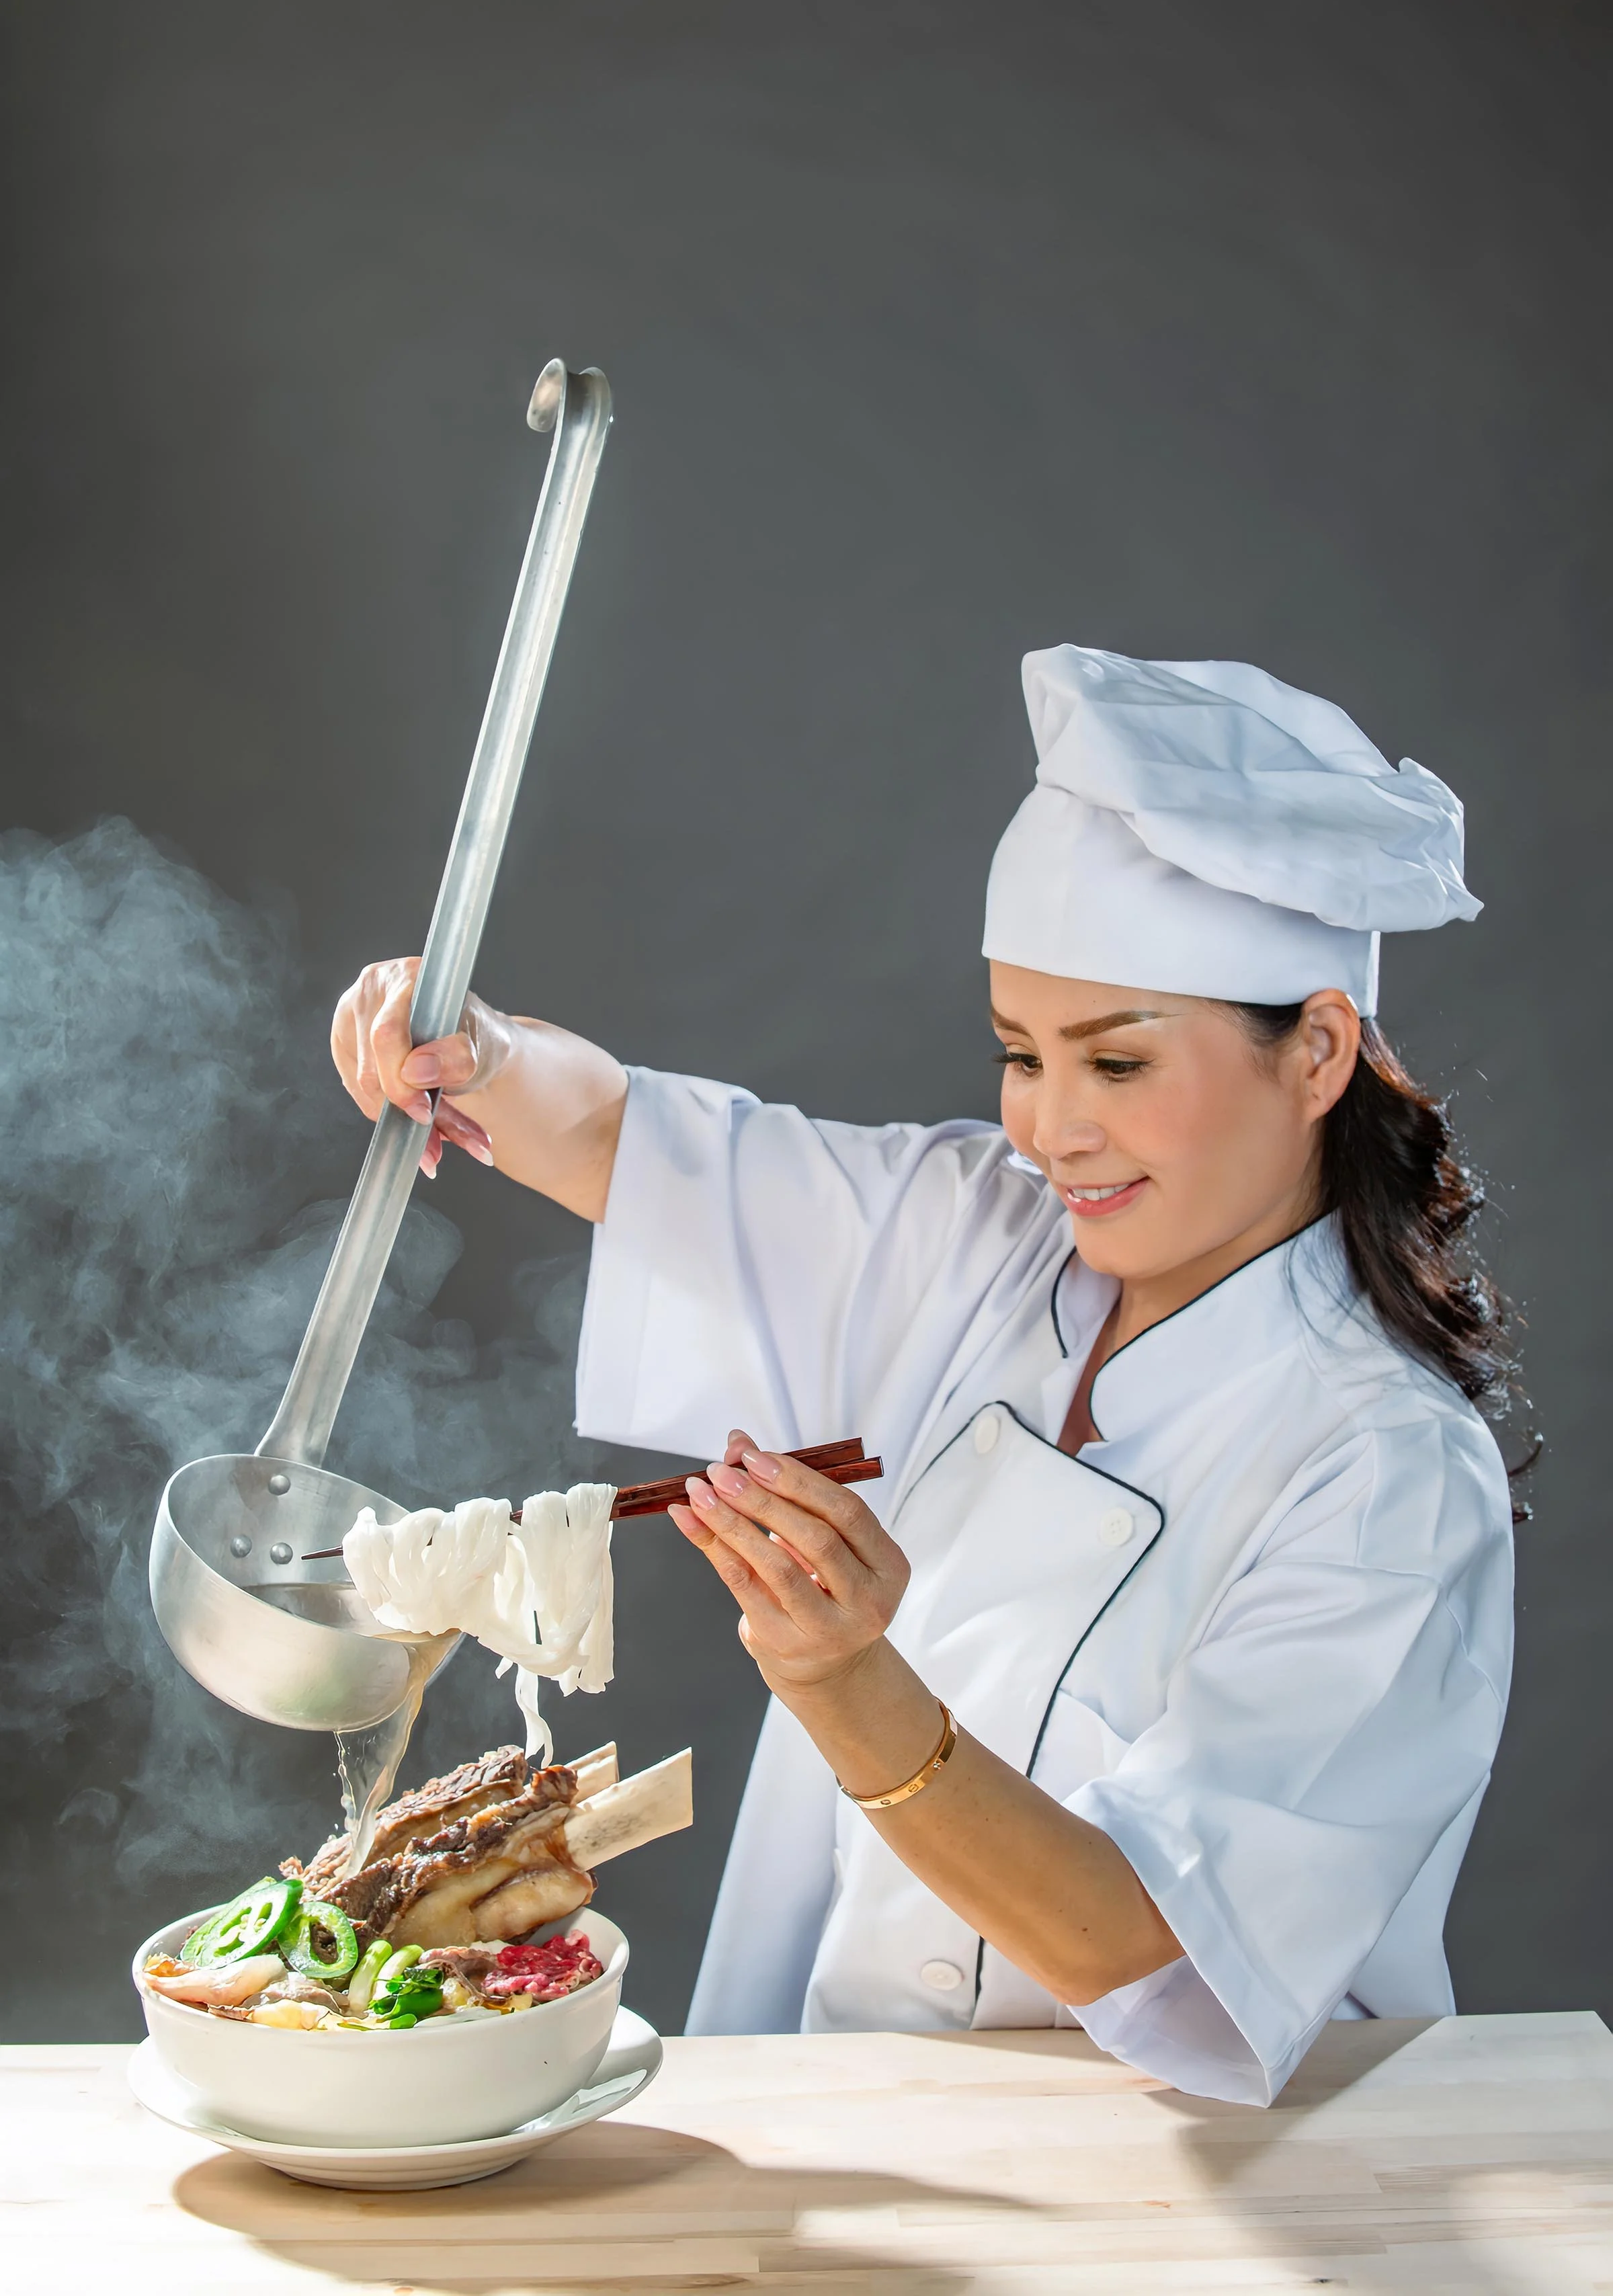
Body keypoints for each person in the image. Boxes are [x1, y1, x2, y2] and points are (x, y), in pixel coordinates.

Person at [332, 645, 1516, 2105]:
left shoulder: (1386, 1473)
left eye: (1119, 1065)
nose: (1053, 1131)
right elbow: (631, 1145)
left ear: (1320, 1048)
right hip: (875, 2136)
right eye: (1022, 1055)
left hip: (1217, 2191)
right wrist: (478, 1050)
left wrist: (846, 1681)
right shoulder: (977, 1235)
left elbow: (1144, 1940)